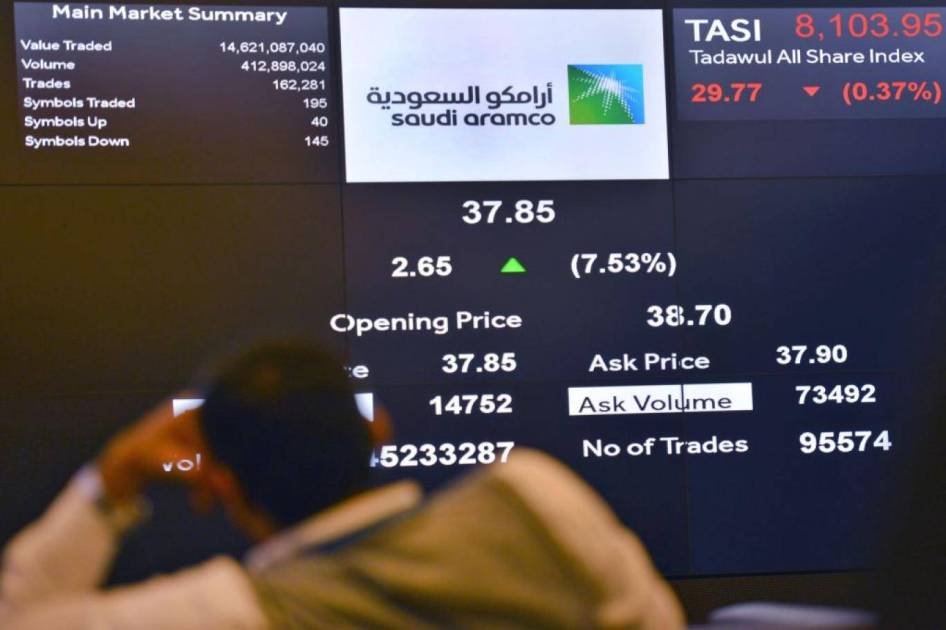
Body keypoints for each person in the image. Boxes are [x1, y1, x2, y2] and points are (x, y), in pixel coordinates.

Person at [0, 342, 684, 629]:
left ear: (220, 485)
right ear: (376, 428)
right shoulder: (535, 497)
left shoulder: (233, 611)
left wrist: (114, 477)